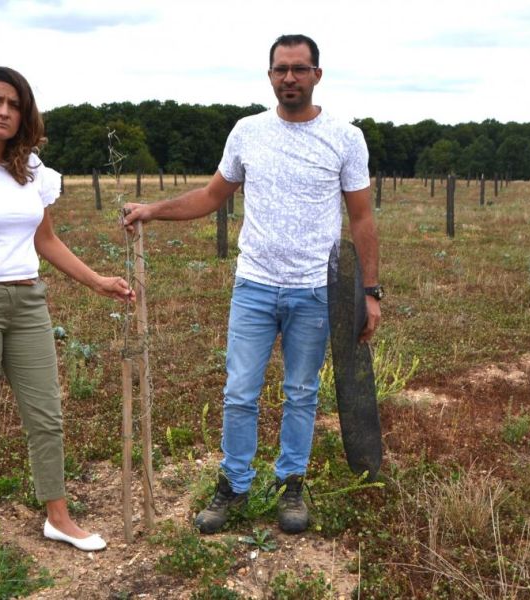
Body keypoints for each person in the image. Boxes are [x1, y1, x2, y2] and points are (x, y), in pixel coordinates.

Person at [122, 34, 381, 535]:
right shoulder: (247, 132)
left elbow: (362, 219)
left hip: (315, 292)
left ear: (317, 76)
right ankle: (234, 484)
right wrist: (153, 210)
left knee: (301, 392)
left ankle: (291, 486)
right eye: (281, 69)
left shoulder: (346, 138)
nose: (290, 78)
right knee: (239, 392)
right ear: (269, 76)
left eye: (300, 69)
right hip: (255, 287)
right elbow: (213, 195)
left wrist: (369, 293)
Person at [0, 65, 133, 553]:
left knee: (46, 413)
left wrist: (97, 281)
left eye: (14, 105)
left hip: (28, 300)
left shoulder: (30, 170)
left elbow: (46, 240)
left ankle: (57, 515)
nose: (4, 112)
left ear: (24, 115)